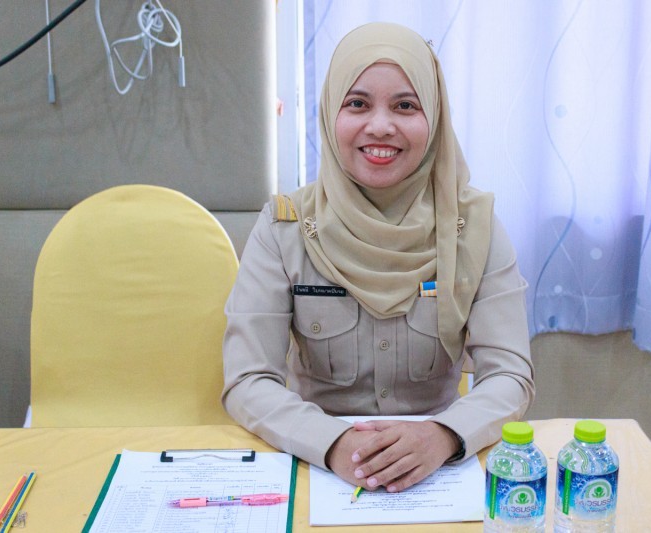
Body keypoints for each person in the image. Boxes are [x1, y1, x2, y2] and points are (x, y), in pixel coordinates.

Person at [222, 21, 534, 494]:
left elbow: (510, 373)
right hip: (317, 466)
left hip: (436, 470)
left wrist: (444, 435)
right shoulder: (285, 227)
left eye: (405, 106)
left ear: (434, 117)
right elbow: (248, 379)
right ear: (330, 113)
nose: (381, 125)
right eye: (357, 104)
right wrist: (332, 443)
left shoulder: (474, 227)